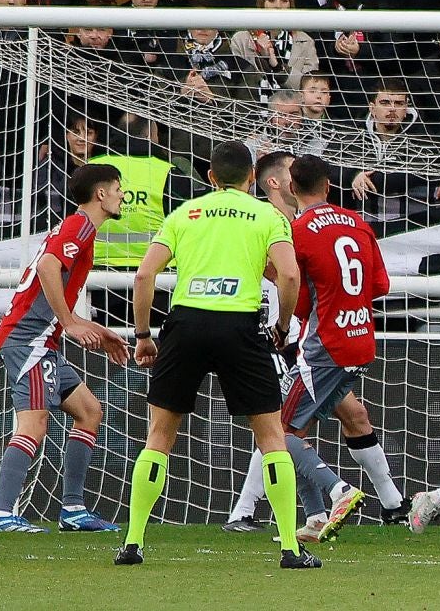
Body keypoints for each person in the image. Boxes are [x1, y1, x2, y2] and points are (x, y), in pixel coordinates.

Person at [118, 140, 317, 569]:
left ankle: (132, 543)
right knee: (270, 437)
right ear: (251, 179)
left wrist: (142, 335)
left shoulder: (184, 213)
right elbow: (289, 273)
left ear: (210, 177)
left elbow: (145, 274)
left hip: (186, 323)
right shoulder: (269, 215)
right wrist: (282, 327)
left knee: (159, 436)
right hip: (239, 325)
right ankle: (289, 547)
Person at [0, 163, 130, 536]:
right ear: (101, 194)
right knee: (35, 423)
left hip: (41, 340)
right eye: (118, 188)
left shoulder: (81, 230)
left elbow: (52, 286)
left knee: (89, 411)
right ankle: (0, 512)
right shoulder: (78, 225)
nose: (122, 195)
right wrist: (74, 323)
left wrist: (95, 329)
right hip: (27, 341)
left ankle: (74, 510)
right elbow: (48, 267)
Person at [277, 155, 405, 540]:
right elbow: (381, 286)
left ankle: (338, 491)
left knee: (280, 431)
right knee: (350, 414)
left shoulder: (297, 231)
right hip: (362, 340)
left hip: (325, 346)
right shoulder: (359, 224)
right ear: (329, 186)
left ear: (291, 189)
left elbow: (297, 299)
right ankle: (346, 513)